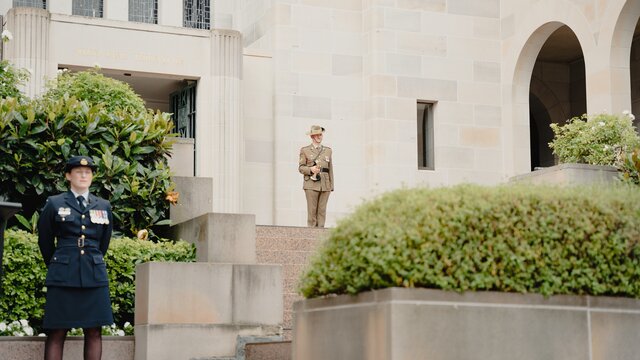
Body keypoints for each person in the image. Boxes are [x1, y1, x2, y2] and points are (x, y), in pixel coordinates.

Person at [37, 155, 114, 360]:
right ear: (68, 175)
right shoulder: (54, 203)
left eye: (88, 172)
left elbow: (103, 242)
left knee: (94, 331)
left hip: (94, 274)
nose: (83, 175)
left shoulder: (103, 205)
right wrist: (58, 263)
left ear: (92, 177)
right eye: (79, 172)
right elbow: (45, 240)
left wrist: (91, 260)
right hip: (63, 274)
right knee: (57, 331)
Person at [298, 125, 334, 227]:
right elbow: (301, 168)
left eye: (320, 134)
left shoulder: (328, 150)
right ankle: (311, 235)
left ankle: (320, 235)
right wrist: (310, 169)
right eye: (317, 135)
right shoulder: (305, 150)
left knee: (322, 211)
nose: (319, 137)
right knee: (312, 212)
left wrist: (331, 185)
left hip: (325, 184)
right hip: (311, 183)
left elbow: (330, 169)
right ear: (312, 137)